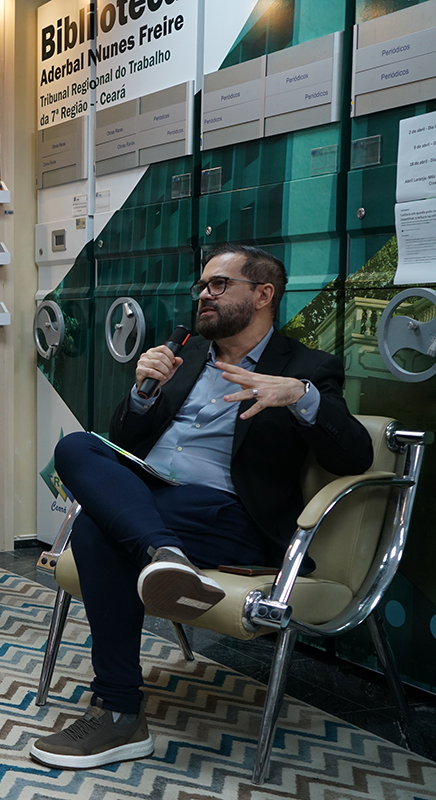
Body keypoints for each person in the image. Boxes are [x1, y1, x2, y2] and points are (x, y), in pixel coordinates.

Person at [28, 244, 374, 770]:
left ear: (263, 295)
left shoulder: (306, 367)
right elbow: (126, 441)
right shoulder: (185, 358)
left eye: (219, 285)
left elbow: (355, 454)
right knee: (77, 447)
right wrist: (141, 394)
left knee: (97, 531)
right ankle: (163, 552)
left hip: (231, 517)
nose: (204, 296)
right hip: (158, 502)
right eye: (202, 286)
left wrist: (301, 397)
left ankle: (121, 712)